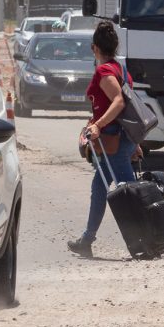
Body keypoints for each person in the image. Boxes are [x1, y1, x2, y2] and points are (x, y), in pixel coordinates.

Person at [67, 21, 140, 258]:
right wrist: (135, 142)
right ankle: (87, 240)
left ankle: (147, 238)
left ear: (94, 48)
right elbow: (129, 108)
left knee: (130, 194)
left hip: (113, 142)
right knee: (99, 187)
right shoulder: (120, 69)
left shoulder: (105, 71)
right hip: (119, 140)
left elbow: (119, 102)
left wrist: (98, 124)